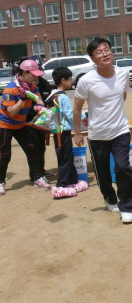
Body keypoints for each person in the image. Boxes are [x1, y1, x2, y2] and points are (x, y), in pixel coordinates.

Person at [73, 38, 132, 223]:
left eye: (107, 49)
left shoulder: (122, 73)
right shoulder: (86, 80)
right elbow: (77, 108)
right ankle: (110, 198)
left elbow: (122, 94)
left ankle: (126, 206)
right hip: (97, 134)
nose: (105, 54)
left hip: (120, 130)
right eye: (99, 52)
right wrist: (78, 132)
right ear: (93, 59)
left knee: (123, 166)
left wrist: (115, 113)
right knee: (102, 172)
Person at [0, 59, 51, 194]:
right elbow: (11, 112)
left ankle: (37, 178)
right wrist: (22, 100)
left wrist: (39, 106)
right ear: (24, 72)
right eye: (33, 74)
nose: (36, 76)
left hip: (20, 124)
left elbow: (38, 99)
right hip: (5, 125)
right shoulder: (10, 88)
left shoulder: (33, 87)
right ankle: (0, 181)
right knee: (4, 155)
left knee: (32, 149)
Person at [46, 67, 89, 198]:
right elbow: (70, 114)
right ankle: (61, 185)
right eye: (70, 79)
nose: (72, 82)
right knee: (65, 158)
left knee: (67, 156)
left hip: (57, 132)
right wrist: (84, 115)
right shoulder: (62, 97)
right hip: (63, 132)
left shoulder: (52, 94)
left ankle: (73, 181)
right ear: (63, 80)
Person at [25, 55, 53, 181]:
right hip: (28, 122)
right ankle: (35, 175)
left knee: (41, 146)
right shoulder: (24, 86)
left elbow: (49, 101)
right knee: (33, 148)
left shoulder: (44, 83)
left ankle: (41, 170)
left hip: (42, 121)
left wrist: (48, 108)